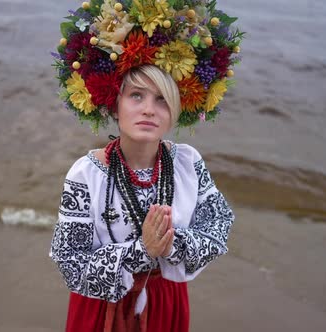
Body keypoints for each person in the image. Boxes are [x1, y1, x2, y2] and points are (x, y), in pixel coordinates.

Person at [49, 2, 243, 331]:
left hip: (166, 302)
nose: (149, 110)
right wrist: (143, 250)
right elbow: (72, 264)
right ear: (115, 104)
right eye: (136, 96)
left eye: (162, 99)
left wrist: (170, 245)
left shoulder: (187, 162)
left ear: (176, 109)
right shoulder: (86, 174)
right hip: (102, 307)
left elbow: (217, 229)